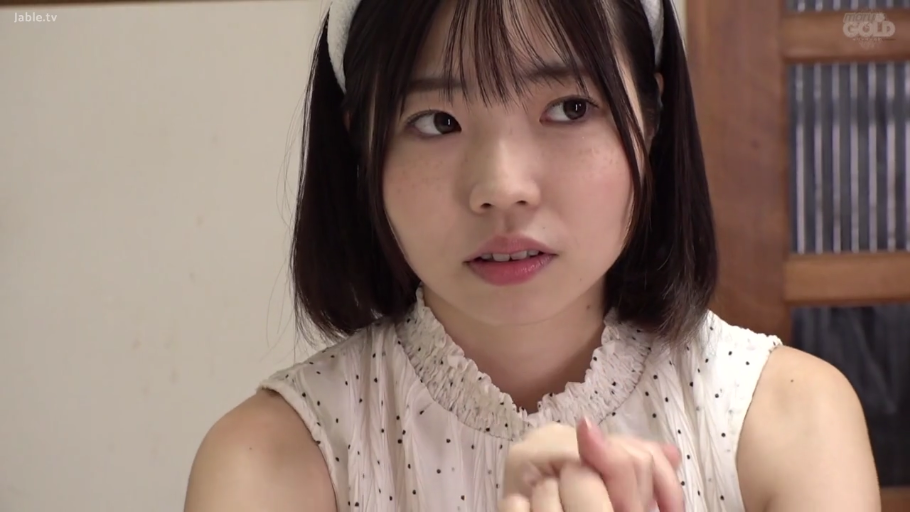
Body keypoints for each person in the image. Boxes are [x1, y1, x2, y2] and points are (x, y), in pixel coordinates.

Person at [183, 0, 881, 510]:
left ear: (652, 115)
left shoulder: (791, 424)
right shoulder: (269, 463)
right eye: (437, 121)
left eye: (570, 108)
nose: (503, 187)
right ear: (361, 144)